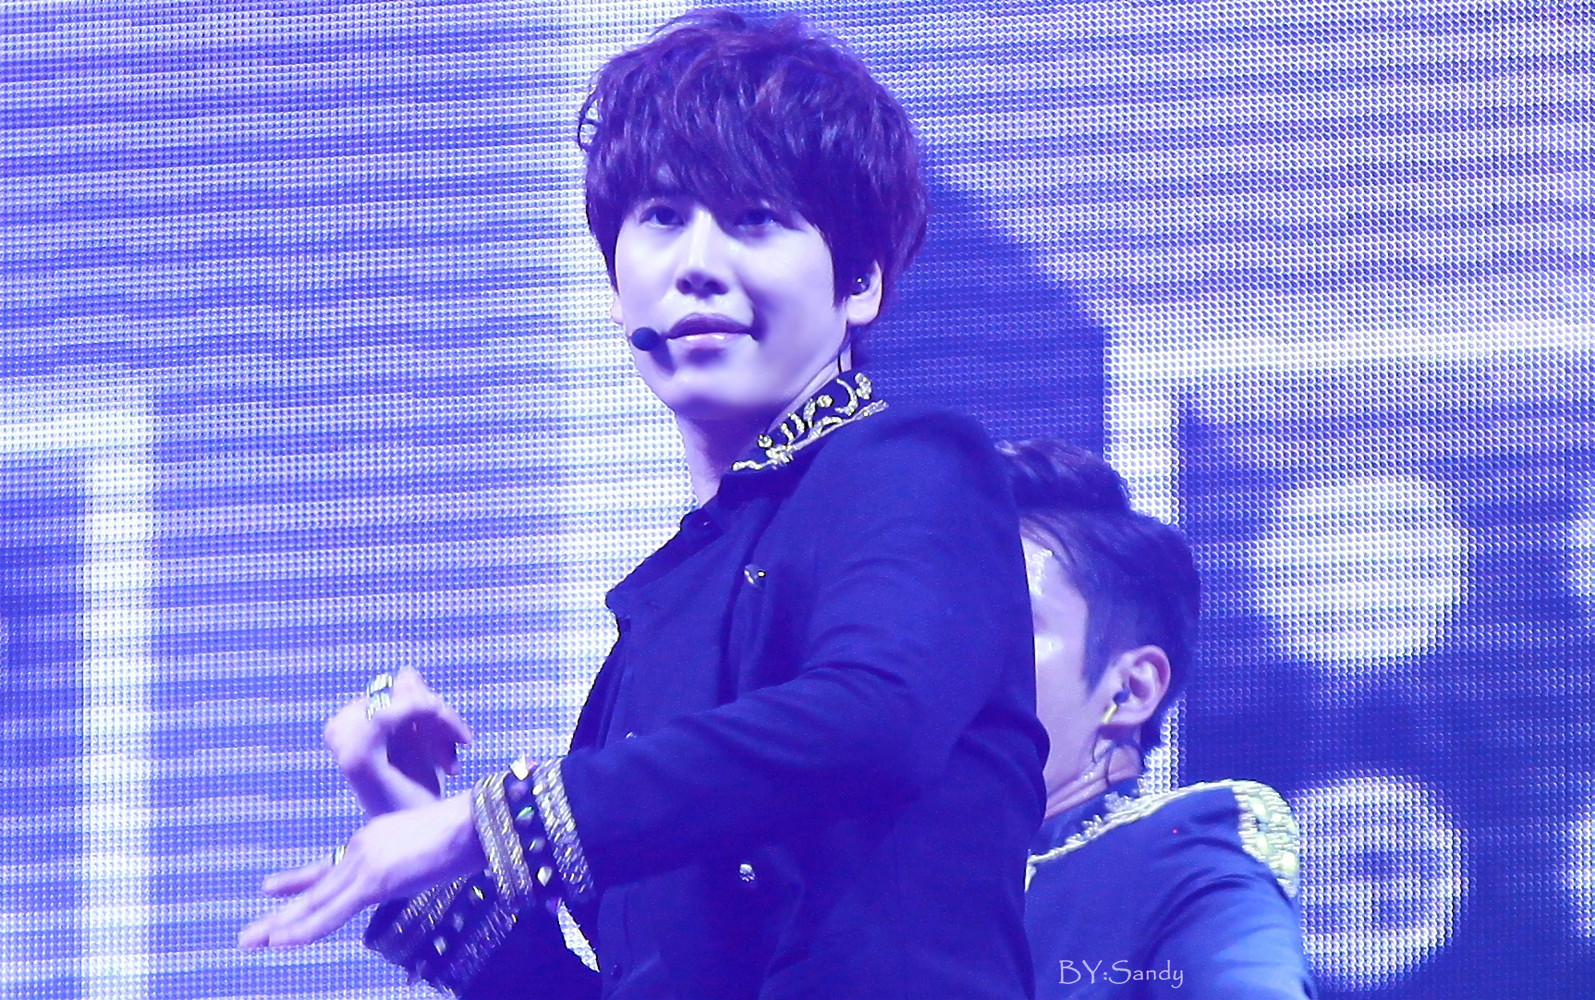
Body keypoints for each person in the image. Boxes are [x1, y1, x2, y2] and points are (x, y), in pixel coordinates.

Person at [238, 11, 1047, 1000]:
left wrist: (484, 826)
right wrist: (425, 846)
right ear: (618, 292)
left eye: (754, 217)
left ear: (861, 283)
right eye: (662, 216)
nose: (696, 260)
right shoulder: (654, 627)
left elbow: (875, 716)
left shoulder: (912, 468)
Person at [999, 439, 1316, 999]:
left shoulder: (1178, 863)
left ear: (1131, 689)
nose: (949, 657)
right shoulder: (875, 879)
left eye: (1004, 624)